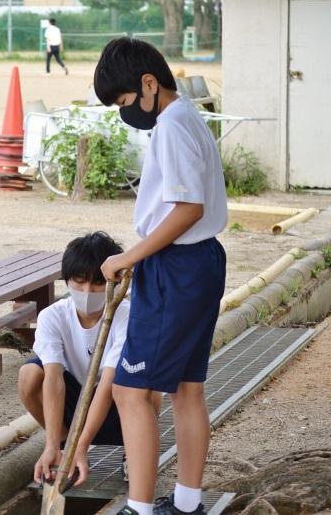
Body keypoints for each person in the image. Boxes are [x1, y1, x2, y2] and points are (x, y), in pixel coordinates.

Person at [93, 38, 227, 515]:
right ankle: (187, 503)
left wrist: (129, 256)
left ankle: (139, 507)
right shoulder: (188, 116)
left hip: (176, 266)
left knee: (130, 390)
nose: (125, 110)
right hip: (199, 262)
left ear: (149, 84)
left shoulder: (171, 126)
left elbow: (189, 208)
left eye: (125, 99)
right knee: (186, 388)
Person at [19, 232, 162, 486]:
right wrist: (53, 444)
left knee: (147, 382)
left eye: (97, 283)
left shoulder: (129, 317)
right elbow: (53, 379)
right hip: (74, 407)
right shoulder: (52, 316)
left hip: (118, 410)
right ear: (66, 279)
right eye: (79, 281)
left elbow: (107, 384)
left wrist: (82, 446)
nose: (87, 291)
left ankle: (133, 451)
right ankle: (62, 447)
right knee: (29, 374)